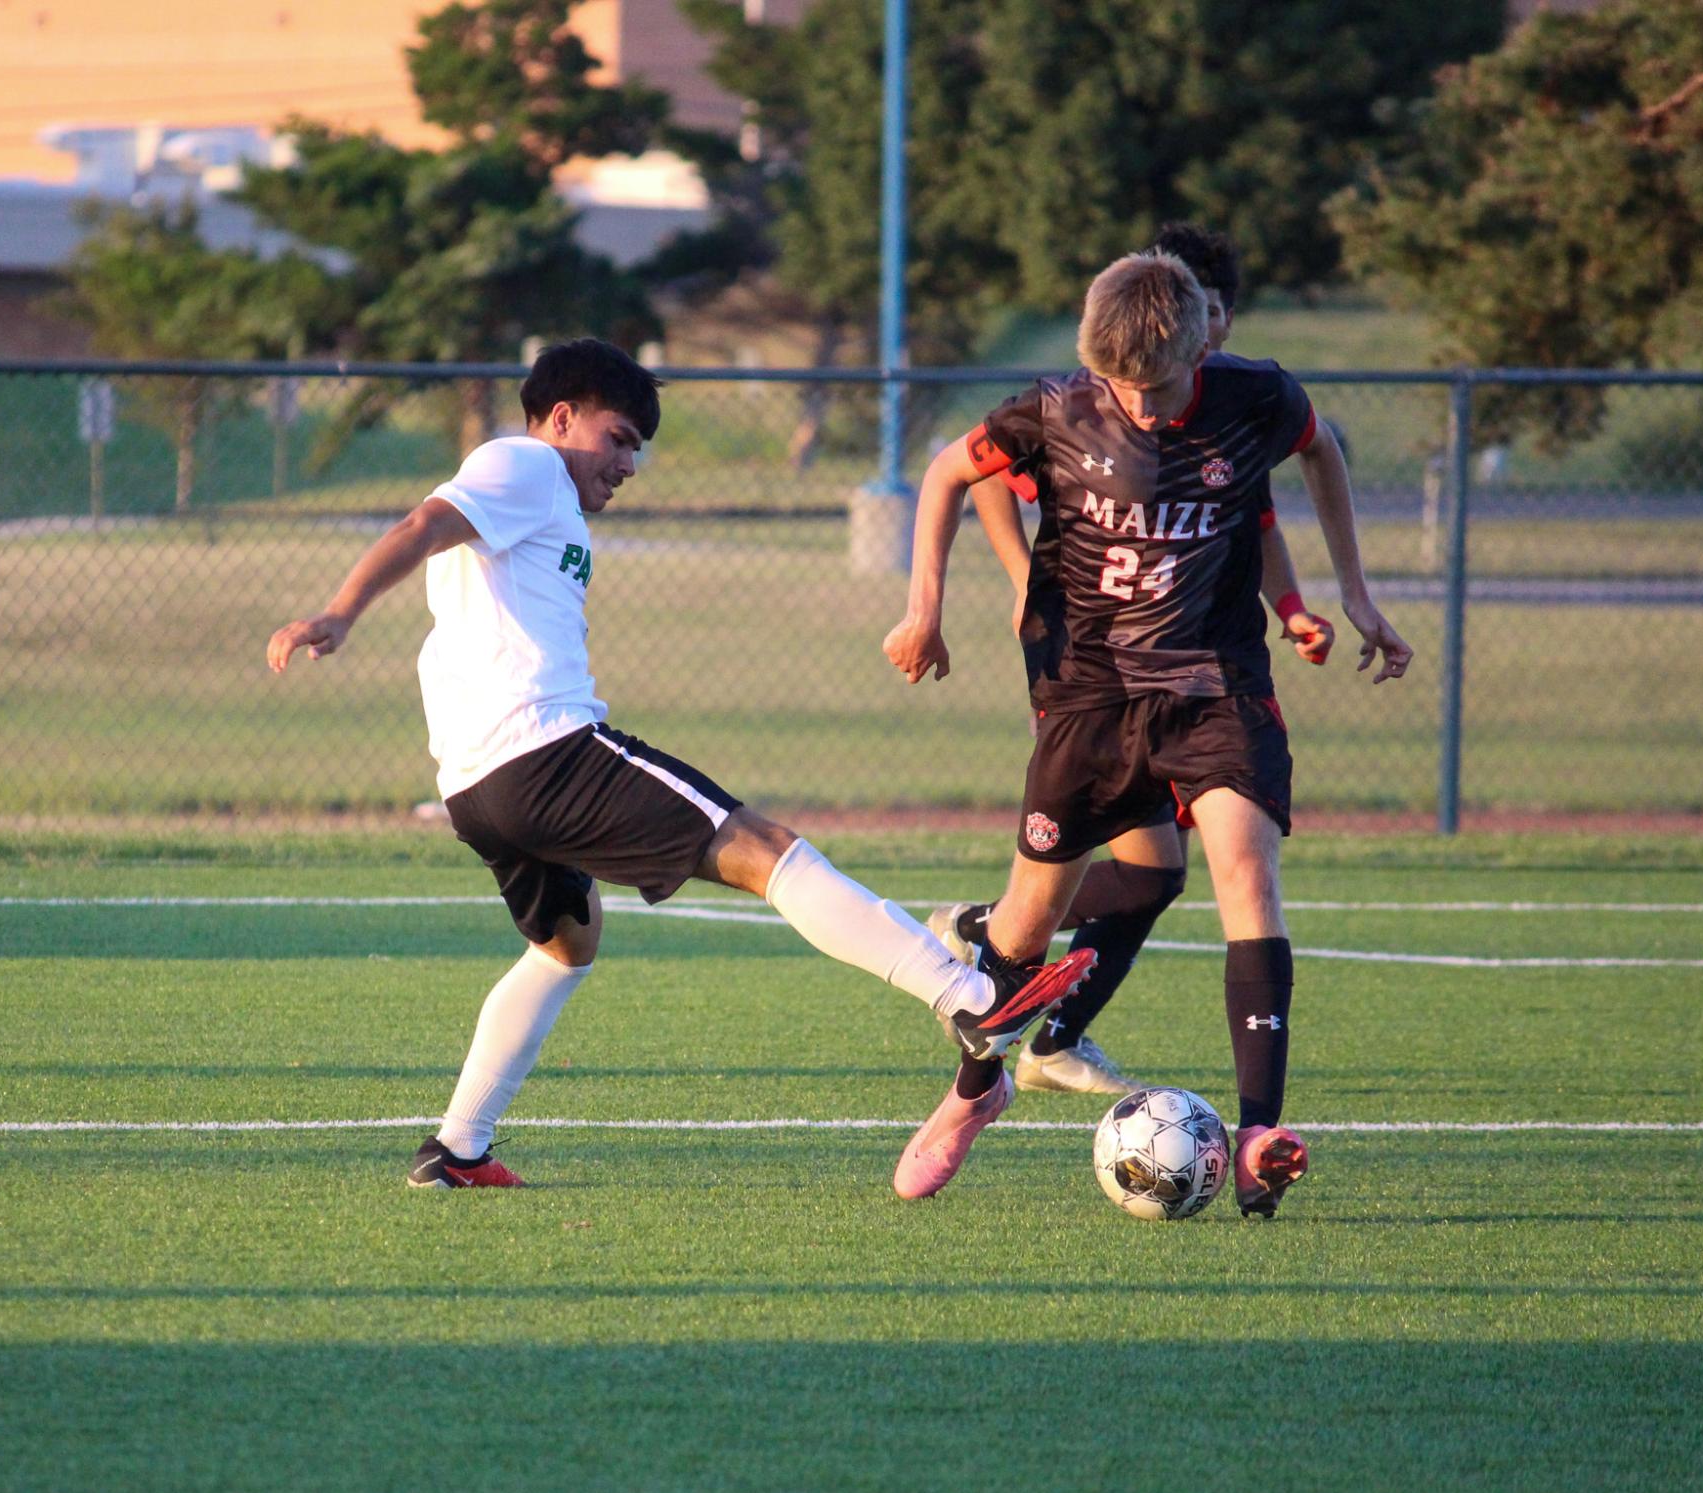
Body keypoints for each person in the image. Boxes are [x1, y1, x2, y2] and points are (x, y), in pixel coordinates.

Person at [267, 338, 1093, 1189]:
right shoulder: (525, 465)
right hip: (545, 752)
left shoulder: (534, 500)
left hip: (479, 788)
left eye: (637, 449)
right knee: (765, 849)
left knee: (566, 947)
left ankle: (456, 1150)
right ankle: (968, 995)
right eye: (618, 438)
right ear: (561, 419)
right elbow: (420, 525)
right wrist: (339, 613)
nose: (628, 463)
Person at [882, 255, 1412, 1214]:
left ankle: (1259, 1135)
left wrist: (1352, 596)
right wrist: (924, 609)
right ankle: (974, 1090)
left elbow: (1320, 450)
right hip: (1088, 694)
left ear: (1200, 343)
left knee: (1243, 875)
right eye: (1118, 384)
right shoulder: (1053, 410)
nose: (1137, 402)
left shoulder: (1253, 398)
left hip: (1216, 688)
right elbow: (948, 471)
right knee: (1021, 937)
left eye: (1155, 384)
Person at [928, 223, 1338, 1097]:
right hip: (1093, 672)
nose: (1216, 325)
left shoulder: (1233, 406)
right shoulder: (1088, 409)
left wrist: (1297, 608)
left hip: (1199, 676)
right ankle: (1013, 1014)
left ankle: (1029, 1007)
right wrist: (1014, 584)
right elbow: (987, 477)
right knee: (1140, 874)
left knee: (1158, 876)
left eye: (1222, 309)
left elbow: (1250, 524)